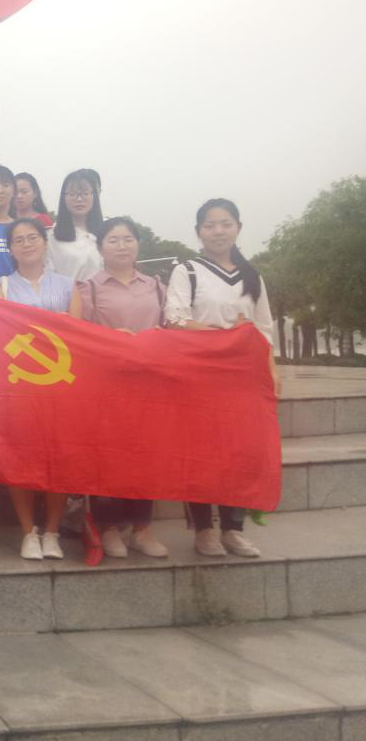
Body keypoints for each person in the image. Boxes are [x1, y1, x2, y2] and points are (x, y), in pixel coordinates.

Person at [165, 198, 277, 558]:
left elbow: (264, 328)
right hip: (199, 374)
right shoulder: (187, 270)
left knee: (239, 452)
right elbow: (175, 318)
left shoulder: (251, 275)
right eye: (210, 225)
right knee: (200, 453)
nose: (218, 231)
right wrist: (224, 336)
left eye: (226, 223)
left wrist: (270, 372)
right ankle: (203, 530)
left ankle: (233, 529)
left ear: (238, 228)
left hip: (241, 379)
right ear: (199, 231)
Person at [0, 217, 82, 560]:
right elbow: (0, 333)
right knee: (20, 459)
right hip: (19, 387)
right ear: (10, 249)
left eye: (32, 238)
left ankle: (52, 531)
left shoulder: (69, 286)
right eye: (19, 240)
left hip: (60, 387)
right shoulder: (0, 286)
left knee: (59, 458)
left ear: (44, 242)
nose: (26, 244)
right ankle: (29, 531)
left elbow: (77, 333)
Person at [79, 217, 170, 559]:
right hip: (107, 384)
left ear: (138, 244)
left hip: (147, 382)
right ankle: (109, 527)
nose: (122, 246)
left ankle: (142, 528)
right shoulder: (89, 288)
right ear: (100, 247)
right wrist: (111, 338)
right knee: (108, 456)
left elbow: (169, 328)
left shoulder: (155, 286)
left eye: (128, 239)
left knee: (146, 455)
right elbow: (79, 335)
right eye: (113, 240)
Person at [47, 169, 105, 280]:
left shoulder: (106, 232)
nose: (79, 199)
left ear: (94, 196)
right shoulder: (52, 237)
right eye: (72, 194)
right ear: (64, 197)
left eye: (85, 193)